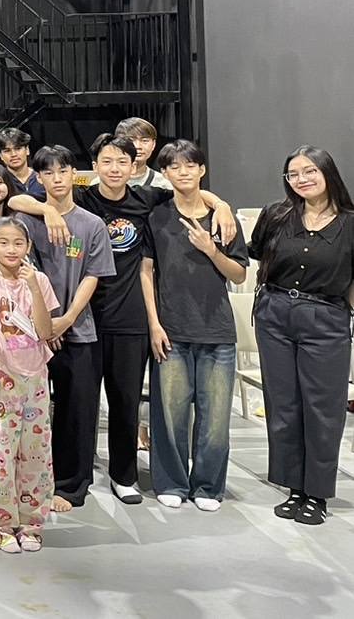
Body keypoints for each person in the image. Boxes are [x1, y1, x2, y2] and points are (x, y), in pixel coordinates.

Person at [8, 134, 238, 505]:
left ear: (134, 167)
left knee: (126, 403)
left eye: (122, 162)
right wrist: (47, 211)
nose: (114, 169)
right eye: (106, 161)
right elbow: (17, 200)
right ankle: (73, 479)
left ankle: (124, 475)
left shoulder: (147, 199)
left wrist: (222, 204)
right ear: (93, 167)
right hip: (84, 319)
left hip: (129, 318)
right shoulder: (82, 198)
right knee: (77, 405)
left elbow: (189, 191)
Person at [141, 140, 247, 512]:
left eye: (190, 165)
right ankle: (171, 481)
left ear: (202, 169)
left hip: (217, 330)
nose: (182, 172)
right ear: (165, 173)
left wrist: (211, 249)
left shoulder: (222, 219)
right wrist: (154, 324)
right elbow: (146, 272)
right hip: (171, 329)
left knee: (215, 416)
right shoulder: (157, 216)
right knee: (170, 414)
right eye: (174, 166)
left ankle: (208, 486)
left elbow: (238, 273)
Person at [251, 146, 354, 526]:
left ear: (328, 172)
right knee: (283, 405)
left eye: (309, 171)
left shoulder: (350, 223)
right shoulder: (276, 215)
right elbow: (257, 256)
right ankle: (294, 486)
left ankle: (318, 493)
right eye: (293, 174)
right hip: (274, 314)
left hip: (326, 318)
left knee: (323, 410)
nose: (301, 179)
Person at [13, 145, 114, 512]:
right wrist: (46, 324)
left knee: (77, 412)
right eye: (48, 172)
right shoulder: (26, 221)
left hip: (78, 330)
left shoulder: (92, 224)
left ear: (75, 174)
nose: (56, 179)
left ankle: (71, 486)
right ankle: (30, 482)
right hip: (32, 334)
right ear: (38, 178)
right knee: (29, 412)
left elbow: (93, 275)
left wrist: (67, 319)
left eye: (63, 171)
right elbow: (22, 271)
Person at [0, 218, 59, 553]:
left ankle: (32, 523)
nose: (11, 249)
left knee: (36, 453)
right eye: (3, 242)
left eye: (18, 243)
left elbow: (46, 331)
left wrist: (33, 286)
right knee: (4, 453)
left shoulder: (39, 280)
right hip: (3, 377)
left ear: (28, 247)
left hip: (35, 377)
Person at [114, 117, 171, 190]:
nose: (138, 146)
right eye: (131, 140)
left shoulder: (164, 185)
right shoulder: (104, 182)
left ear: (153, 144)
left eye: (145, 140)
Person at [0, 128, 43, 202]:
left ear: (27, 150)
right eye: (7, 151)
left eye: (18, 148)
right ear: (1, 156)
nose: (13, 154)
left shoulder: (43, 177)